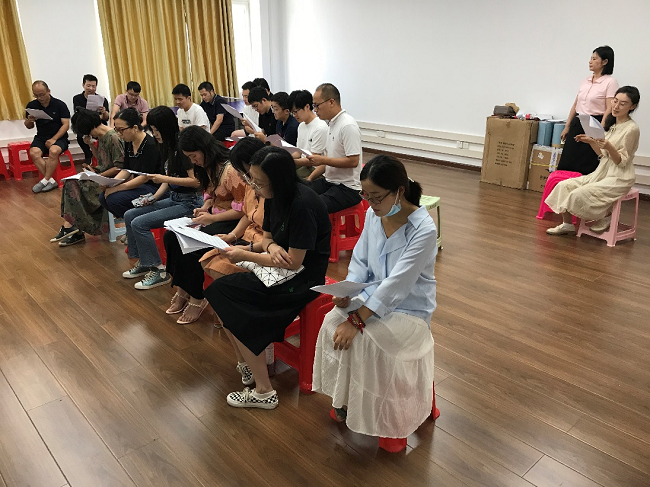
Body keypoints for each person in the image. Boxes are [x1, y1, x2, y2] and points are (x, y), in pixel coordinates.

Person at [312, 154, 437, 441]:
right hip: (370, 297)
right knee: (331, 322)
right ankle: (345, 398)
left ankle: (377, 412)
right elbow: (361, 260)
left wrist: (357, 320)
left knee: (363, 339)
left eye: (377, 197)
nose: (370, 203)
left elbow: (397, 285)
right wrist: (349, 290)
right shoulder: (374, 214)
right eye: (365, 196)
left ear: (399, 191)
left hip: (410, 310)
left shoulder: (423, 229)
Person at [203, 146, 331, 409]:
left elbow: (294, 262)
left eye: (258, 182)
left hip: (303, 279)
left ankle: (264, 392)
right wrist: (266, 247)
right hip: (281, 269)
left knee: (233, 303)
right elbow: (269, 240)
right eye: (252, 179)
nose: (254, 187)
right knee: (219, 292)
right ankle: (247, 364)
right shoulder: (274, 196)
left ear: (278, 180)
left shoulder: (303, 204)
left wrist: (245, 254)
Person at [162, 128, 248, 323]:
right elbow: (212, 196)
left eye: (194, 156)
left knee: (192, 247)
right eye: (189, 157)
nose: (193, 161)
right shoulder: (207, 166)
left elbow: (244, 209)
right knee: (171, 236)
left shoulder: (230, 170)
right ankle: (182, 289)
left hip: (232, 221)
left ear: (204, 149)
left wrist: (212, 218)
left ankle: (197, 296)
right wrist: (205, 207)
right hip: (214, 216)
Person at [121, 107, 204, 289]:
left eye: (156, 129)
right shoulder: (166, 146)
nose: (154, 134)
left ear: (166, 127)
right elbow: (168, 178)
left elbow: (196, 182)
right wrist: (153, 197)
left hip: (190, 202)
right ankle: (145, 261)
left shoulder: (181, 147)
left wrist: (164, 179)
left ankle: (159, 271)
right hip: (175, 197)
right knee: (129, 215)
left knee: (139, 223)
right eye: (152, 129)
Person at [546, 86, 641, 236]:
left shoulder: (631, 129)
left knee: (579, 194)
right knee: (564, 186)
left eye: (622, 104)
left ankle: (606, 215)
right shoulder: (612, 125)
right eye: (615, 101)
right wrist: (591, 141)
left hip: (620, 176)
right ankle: (567, 225)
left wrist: (609, 146)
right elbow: (602, 155)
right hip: (602, 171)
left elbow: (620, 162)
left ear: (632, 107)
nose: (616, 106)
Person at [51, 109, 124, 247]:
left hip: (113, 179)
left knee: (73, 185)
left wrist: (97, 176)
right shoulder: (103, 136)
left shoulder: (113, 137)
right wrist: (90, 145)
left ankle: (73, 228)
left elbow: (119, 167)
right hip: (103, 175)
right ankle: (72, 227)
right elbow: (102, 159)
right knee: (70, 182)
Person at [557, 46, 619, 175]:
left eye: (594, 59)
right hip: (578, 121)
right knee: (568, 159)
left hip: (594, 123)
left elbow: (609, 108)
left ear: (605, 62)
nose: (590, 61)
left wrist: (600, 129)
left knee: (588, 162)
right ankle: (564, 185)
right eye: (591, 58)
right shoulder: (585, 81)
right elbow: (576, 104)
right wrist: (567, 126)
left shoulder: (610, 82)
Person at [306, 83, 363, 212]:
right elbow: (329, 158)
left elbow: (353, 161)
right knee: (299, 194)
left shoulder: (347, 125)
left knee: (310, 207)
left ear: (331, 102)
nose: (315, 110)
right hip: (331, 182)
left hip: (348, 188)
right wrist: (310, 178)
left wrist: (322, 160)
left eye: (317, 105)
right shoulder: (332, 124)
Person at [99, 108, 162, 218]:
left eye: (121, 130)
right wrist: (111, 184)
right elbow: (126, 170)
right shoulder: (129, 142)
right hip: (140, 184)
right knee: (102, 197)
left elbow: (144, 177)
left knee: (114, 199)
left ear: (135, 128)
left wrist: (117, 188)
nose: (119, 134)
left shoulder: (150, 145)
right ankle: (131, 221)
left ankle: (136, 220)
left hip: (153, 187)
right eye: (116, 130)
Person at [25, 80, 71, 193]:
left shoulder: (59, 105)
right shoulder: (32, 106)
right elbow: (29, 126)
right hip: (41, 137)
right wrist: (29, 121)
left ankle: (45, 180)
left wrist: (54, 139)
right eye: (36, 95)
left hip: (59, 137)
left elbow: (66, 125)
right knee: (34, 153)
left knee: (53, 151)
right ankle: (50, 180)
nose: (39, 98)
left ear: (48, 91)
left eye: (42, 95)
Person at [288, 89, 328, 178]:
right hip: (303, 163)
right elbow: (298, 152)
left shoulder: (320, 127)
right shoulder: (301, 125)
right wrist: (286, 157)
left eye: (295, 112)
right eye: (292, 113)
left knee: (289, 177)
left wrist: (291, 161)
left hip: (315, 168)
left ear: (307, 107)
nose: (294, 115)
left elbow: (314, 160)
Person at [72, 74, 110, 164]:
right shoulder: (77, 98)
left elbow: (106, 118)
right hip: (85, 124)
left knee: (103, 134)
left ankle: (104, 156)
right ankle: (88, 155)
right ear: (83, 85)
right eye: (88, 86)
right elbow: (78, 115)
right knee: (80, 135)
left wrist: (104, 112)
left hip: (98, 125)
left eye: (94, 86)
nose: (91, 88)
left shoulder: (102, 99)